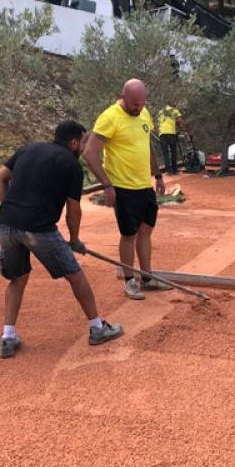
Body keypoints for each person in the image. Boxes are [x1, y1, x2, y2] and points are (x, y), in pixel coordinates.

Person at [0, 121, 124, 358]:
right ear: (73, 142)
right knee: (75, 275)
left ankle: (8, 338)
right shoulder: (71, 165)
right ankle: (97, 328)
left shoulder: (27, 149)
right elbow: (74, 209)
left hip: (7, 225)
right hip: (39, 229)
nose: (84, 147)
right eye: (83, 142)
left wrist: (10, 207)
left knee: (17, 278)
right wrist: (74, 240)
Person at [83, 79, 171, 301]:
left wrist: (158, 175)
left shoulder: (144, 114)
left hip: (144, 185)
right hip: (123, 187)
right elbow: (90, 153)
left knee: (146, 231)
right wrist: (107, 184)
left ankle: (147, 278)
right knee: (128, 235)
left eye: (141, 103)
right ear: (122, 96)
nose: (138, 108)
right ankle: (129, 281)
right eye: (134, 103)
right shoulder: (109, 117)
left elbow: (147, 145)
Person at [157, 102, 192, 175]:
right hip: (170, 133)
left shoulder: (161, 111)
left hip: (162, 133)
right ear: (172, 105)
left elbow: (163, 122)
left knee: (165, 153)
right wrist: (188, 129)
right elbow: (180, 121)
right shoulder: (174, 111)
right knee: (173, 151)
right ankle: (175, 170)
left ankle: (168, 171)